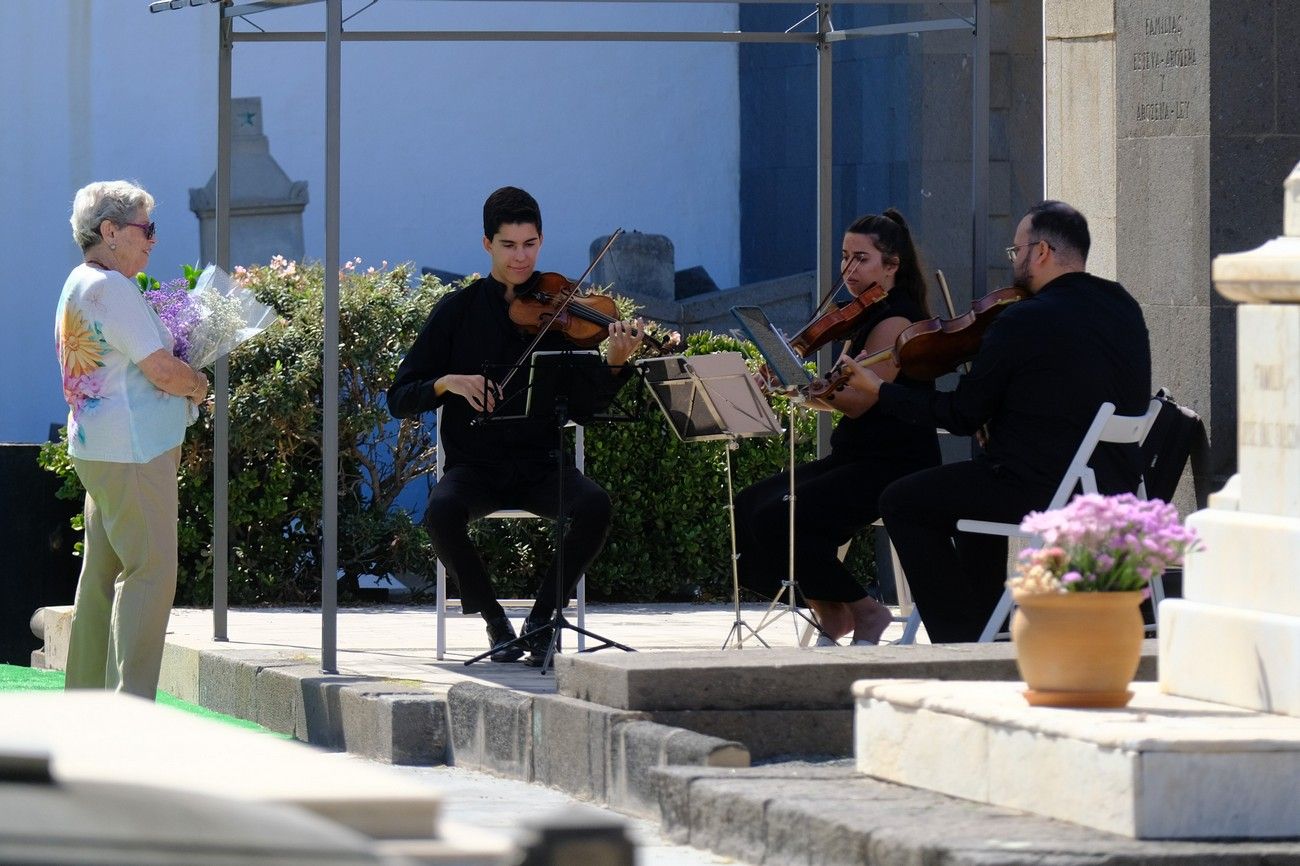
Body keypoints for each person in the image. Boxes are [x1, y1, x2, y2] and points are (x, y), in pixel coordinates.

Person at [839, 200, 1152, 643]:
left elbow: (962, 415)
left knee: (902, 500)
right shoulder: (1123, 305)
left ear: (1040, 252)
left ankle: (960, 635)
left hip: (1045, 489)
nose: (1014, 260)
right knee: (972, 492)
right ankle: (990, 623)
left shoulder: (1023, 318)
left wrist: (880, 390)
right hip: (1112, 484)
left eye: (1016, 249)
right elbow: (1069, 391)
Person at [387, 186, 645, 664]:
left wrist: (613, 364)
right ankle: (495, 623)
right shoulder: (456, 313)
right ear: (487, 244)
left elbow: (585, 408)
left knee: (595, 505)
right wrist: (447, 382)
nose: (521, 258)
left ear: (541, 241)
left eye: (530, 245)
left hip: (541, 464)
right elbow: (399, 397)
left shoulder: (564, 312)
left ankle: (543, 621)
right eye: (508, 246)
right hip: (476, 467)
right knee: (440, 514)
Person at [733, 210, 941, 645]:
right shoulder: (861, 315)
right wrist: (795, 388)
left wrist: (802, 387)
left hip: (893, 464)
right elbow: (840, 400)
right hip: (855, 456)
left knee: (779, 517)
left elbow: (862, 402)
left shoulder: (896, 323)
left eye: (861, 259)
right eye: (845, 257)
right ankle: (832, 613)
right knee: (749, 504)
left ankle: (866, 612)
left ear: (892, 265)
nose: (848, 269)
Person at [56, 180, 210, 698]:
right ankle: (131, 713)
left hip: (99, 451)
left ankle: (85, 705)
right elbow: (161, 370)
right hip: (133, 452)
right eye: (147, 229)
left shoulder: (79, 282)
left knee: (99, 578)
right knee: (150, 573)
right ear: (110, 232)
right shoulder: (112, 289)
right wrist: (198, 384)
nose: (152, 240)